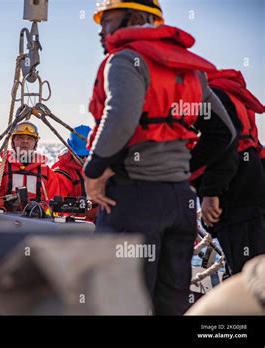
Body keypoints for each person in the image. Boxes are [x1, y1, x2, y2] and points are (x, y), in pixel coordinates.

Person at [84, 0, 237, 315]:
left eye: (108, 21)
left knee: (120, 304)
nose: (102, 31)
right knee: (170, 305)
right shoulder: (191, 70)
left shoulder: (125, 60)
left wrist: (96, 168)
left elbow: (121, 116)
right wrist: (178, 170)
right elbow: (224, 134)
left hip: (131, 203)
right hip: (180, 202)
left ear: (135, 18)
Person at [192, 69, 265, 274]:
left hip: (235, 196)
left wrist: (211, 191)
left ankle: (246, 306)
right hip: (252, 187)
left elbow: (226, 145)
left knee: (247, 274)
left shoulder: (213, 96)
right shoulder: (229, 94)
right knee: (254, 269)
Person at [0, 121, 59, 213]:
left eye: (30, 138)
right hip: (6, 220)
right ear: (12, 143)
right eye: (20, 138)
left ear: (35, 145)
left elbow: (54, 204)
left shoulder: (48, 174)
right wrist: (2, 204)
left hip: (37, 222)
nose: (25, 141)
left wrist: (40, 208)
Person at [52, 125, 97, 221]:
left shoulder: (103, 168)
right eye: (81, 155)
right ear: (71, 150)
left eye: (89, 155)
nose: (85, 159)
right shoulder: (61, 174)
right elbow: (61, 211)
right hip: (80, 228)